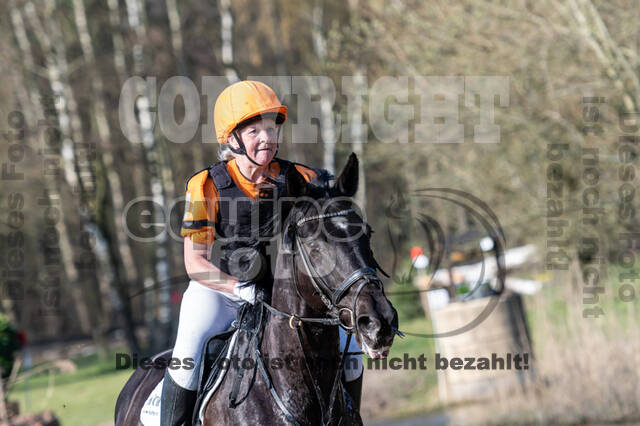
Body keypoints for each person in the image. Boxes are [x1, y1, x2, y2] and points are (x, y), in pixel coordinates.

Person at [160, 80, 363, 425]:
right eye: (254, 131)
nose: (267, 138)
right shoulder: (206, 185)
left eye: (270, 128)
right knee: (187, 355)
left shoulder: (301, 176)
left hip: (283, 296)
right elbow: (194, 262)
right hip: (219, 293)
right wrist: (240, 289)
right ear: (232, 139)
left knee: (352, 351)